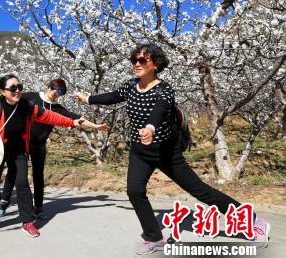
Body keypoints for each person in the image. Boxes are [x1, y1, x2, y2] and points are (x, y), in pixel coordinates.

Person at [74, 43, 271, 254]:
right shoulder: (131, 86)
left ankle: (253, 222)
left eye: (142, 60)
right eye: (134, 60)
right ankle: (154, 237)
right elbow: (113, 96)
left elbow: (160, 109)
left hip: (167, 153)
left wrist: (150, 127)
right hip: (140, 152)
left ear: (156, 64)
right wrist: (89, 99)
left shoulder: (164, 89)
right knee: (134, 191)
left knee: (201, 191)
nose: (136, 64)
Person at [0, 74, 107, 241]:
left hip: (19, 150)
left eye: (19, 87)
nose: (17, 91)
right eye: (12, 88)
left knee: (22, 184)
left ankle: (27, 221)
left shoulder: (27, 106)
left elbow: (50, 116)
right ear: (2, 91)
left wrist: (72, 122)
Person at [0, 78, 101, 220]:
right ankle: (4, 201)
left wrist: (96, 126)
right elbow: (9, 98)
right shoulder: (31, 97)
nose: (55, 92)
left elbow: (77, 119)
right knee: (14, 172)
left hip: (39, 145)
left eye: (60, 92)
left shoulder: (57, 109)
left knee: (38, 176)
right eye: (53, 88)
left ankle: (38, 207)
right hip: (22, 142)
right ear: (48, 86)